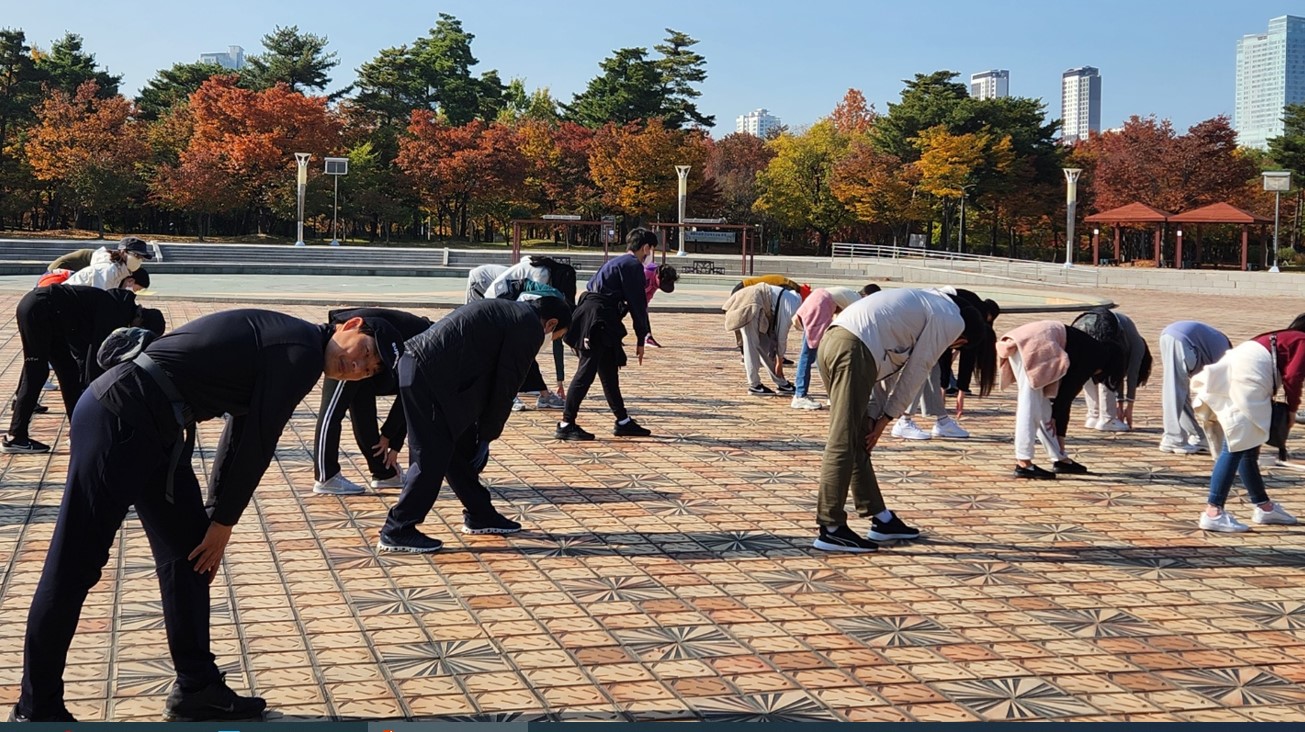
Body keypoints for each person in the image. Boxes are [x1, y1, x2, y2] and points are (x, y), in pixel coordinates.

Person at [13, 309, 403, 723]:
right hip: (119, 414)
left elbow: (243, 428)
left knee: (190, 556)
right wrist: (223, 523)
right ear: (351, 326)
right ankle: (38, 706)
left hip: (159, 426)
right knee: (74, 564)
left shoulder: (294, 345)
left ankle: (197, 688)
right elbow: (258, 441)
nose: (358, 366)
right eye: (365, 353)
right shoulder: (300, 349)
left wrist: (215, 515)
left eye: (368, 370)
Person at [379, 297, 572, 552]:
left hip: (427, 372)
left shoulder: (511, 311)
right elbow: (506, 384)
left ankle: (481, 514)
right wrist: (488, 436)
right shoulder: (528, 325)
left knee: (458, 449)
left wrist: (480, 433)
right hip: (431, 377)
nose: (551, 339)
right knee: (432, 454)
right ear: (551, 323)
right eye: (556, 336)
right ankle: (398, 528)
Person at [812, 288, 986, 552]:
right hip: (853, 350)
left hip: (837, 342)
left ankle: (881, 519)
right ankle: (831, 528)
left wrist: (875, 414)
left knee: (857, 438)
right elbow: (918, 368)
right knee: (843, 440)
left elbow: (888, 366)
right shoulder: (952, 320)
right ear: (961, 340)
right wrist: (887, 418)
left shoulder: (927, 303)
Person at [3, 285, 165, 454]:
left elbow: (83, 351)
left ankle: (79, 432)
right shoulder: (114, 313)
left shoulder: (119, 307)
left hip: (53, 319)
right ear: (140, 322)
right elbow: (98, 357)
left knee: (69, 374)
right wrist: (96, 391)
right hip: (37, 310)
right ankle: (16, 436)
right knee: (36, 371)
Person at [1190, 316, 1305, 532]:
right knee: (1234, 447)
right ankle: (1213, 512)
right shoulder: (1302, 341)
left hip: (1233, 375)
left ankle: (1264, 507)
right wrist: (1292, 409)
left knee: (1247, 447)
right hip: (1246, 381)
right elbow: (1294, 377)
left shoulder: (1283, 336)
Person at [312, 307, 434, 496]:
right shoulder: (431, 346)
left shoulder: (424, 340)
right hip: (354, 343)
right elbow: (410, 396)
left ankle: (384, 473)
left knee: (363, 408)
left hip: (372, 355)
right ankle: (326, 475)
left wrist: (391, 438)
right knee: (333, 409)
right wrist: (391, 437)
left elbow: (409, 395)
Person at [554, 228, 657, 441]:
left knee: (609, 372)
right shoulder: (633, 266)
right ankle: (566, 423)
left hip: (597, 316)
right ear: (646, 248)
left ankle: (623, 421)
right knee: (586, 372)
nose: (650, 254)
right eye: (651, 249)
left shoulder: (615, 262)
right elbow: (638, 304)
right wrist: (642, 336)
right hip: (597, 320)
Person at [997, 320, 1125, 479]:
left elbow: (1061, 401)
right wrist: (1057, 420)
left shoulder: (1088, 346)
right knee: (1030, 404)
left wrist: (1056, 421)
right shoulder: (1094, 356)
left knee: (1042, 407)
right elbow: (1066, 397)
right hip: (1035, 343)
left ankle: (1059, 458)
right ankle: (1024, 462)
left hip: (1023, 338)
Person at [466, 257, 576, 411]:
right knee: (507, 352)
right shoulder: (543, 280)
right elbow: (525, 300)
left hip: (513, 302)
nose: (556, 338)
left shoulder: (555, 299)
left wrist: (560, 381)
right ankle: (509, 395)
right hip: (500, 299)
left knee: (524, 352)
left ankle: (541, 395)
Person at [891, 288, 999, 441]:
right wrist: (958, 390)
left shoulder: (965, 311)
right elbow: (962, 357)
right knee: (920, 370)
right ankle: (904, 421)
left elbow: (948, 351)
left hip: (927, 319)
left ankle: (942, 421)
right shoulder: (974, 315)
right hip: (922, 322)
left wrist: (949, 387)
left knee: (930, 372)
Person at [1158, 321, 1231, 454]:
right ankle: (1172, 438)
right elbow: (1219, 396)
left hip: (1170, 335)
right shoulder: (1225, 358)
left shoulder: (1217, 349)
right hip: (1182, 340)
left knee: (1180, 390)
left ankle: (1199, 436)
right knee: (1174, 388)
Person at [1074, 309, 1152, 432]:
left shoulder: (1126, 338)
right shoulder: (1139, 345)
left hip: (1081, 325)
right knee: (1107, 371)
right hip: (1102, 328)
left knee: (1086, 369)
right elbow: (1132, 375)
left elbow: (1119, 375)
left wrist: (1120, 405)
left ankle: (1093, 416)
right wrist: (1129, 408)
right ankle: (1107, 419)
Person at [723, 280, 802, 396]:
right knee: (751, 344)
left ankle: (781, 383)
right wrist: (780, 360)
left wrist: (778, 359)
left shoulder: (796, 301)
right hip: (750, 302)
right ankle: (754, 385)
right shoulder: (791, 309)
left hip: (759, 303)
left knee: (763, 344)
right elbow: (781, 336)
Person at [789, 286, 860, 409]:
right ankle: (800, 396)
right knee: (812, 354)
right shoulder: (858, 303)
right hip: (820, 305)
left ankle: (828, 395)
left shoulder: (849, 296)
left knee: (816, 354)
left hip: (816, 300)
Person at [64, 236, 154, 290]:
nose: (139, 260)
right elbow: (99, 301)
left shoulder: (119, 272)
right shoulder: (107, 269)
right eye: (136, 255)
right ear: (123, 252)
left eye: (142, 258)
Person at [642, 262, 678, 347]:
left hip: (635, 294)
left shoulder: (655, 280)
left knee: (642, 311)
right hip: (620, 291)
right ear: (658, 277)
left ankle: (647, 337)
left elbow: (648, 295)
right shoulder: (645, 275)